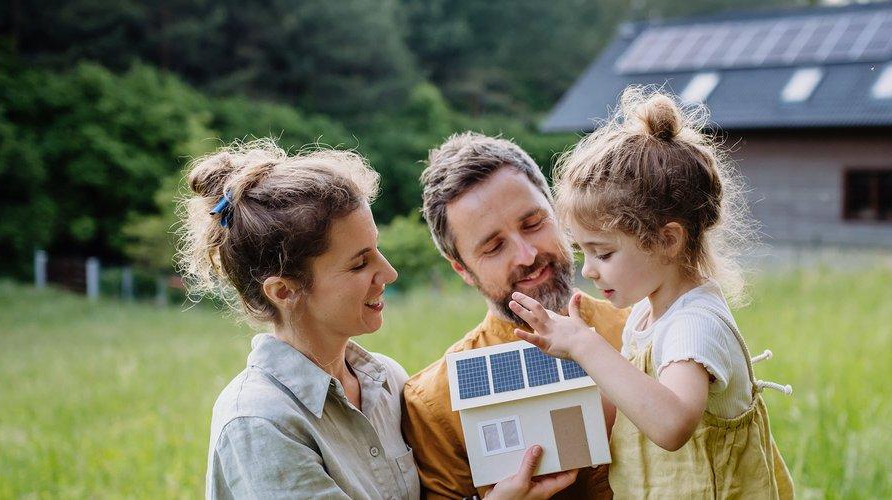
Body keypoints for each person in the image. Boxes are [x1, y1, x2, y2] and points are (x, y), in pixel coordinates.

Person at [180, 139, 574, 499]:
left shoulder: (387, 381)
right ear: (284, 292)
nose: (388, 273)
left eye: (377, 250)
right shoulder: (259, 423)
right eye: (359, 264)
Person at [508, 88, 796, 499]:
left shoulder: (693, 326)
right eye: (583, 252)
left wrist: (586, 345)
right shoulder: (649, 313)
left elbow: (671, 425)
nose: (588, 270)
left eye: (603, 252)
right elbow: (631, 409)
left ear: (667, 241)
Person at [402, 133, 630, 499]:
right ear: (461, 269)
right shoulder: (434, 402)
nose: (526, 254)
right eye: (494, 247)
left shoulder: (645, 327)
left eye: (533, 223)